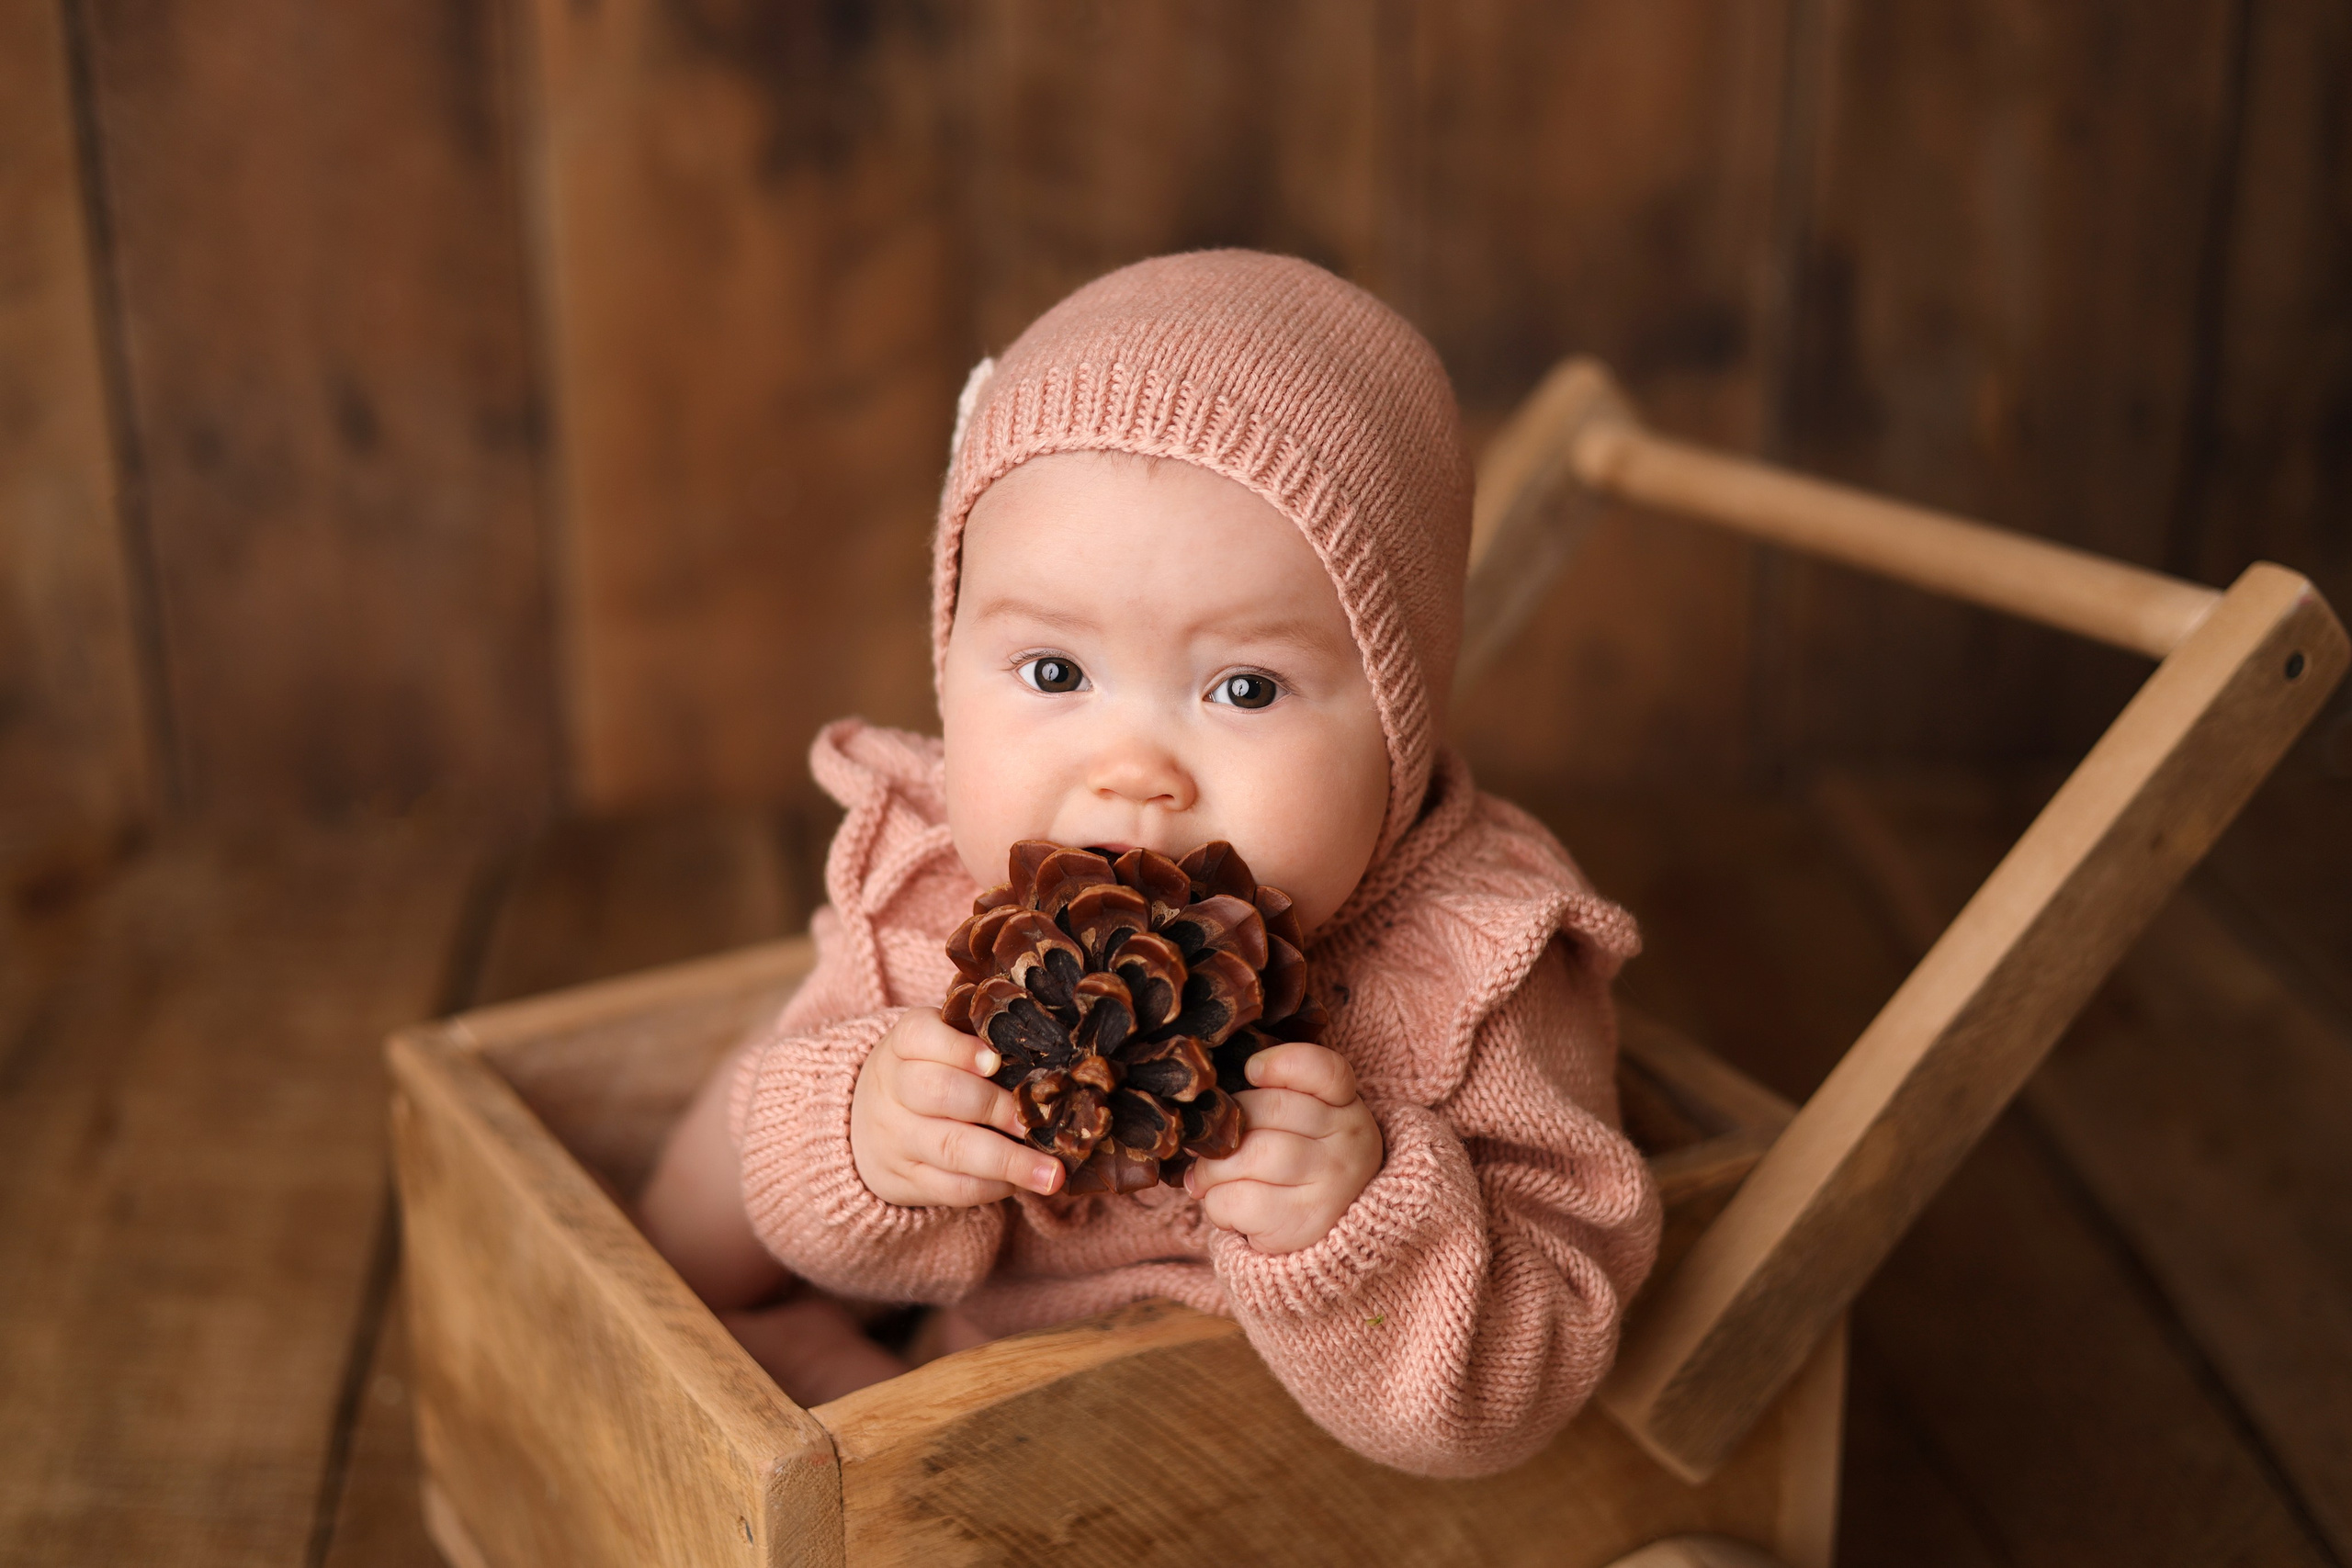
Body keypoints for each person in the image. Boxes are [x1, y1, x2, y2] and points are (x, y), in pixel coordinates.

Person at [637, 250, 1659, 1478]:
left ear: (1398, 719)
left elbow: (1525, 1374)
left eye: (1243, 687)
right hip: (965, 1381)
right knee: (789, 1144)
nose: (1133, 773)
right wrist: (869, 1144)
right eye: (1056, 673)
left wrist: (1361, 1220)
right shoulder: (937, 889)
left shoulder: (1479, 969)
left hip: (1258, 1466)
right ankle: (657, 1307)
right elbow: (806, 1194)